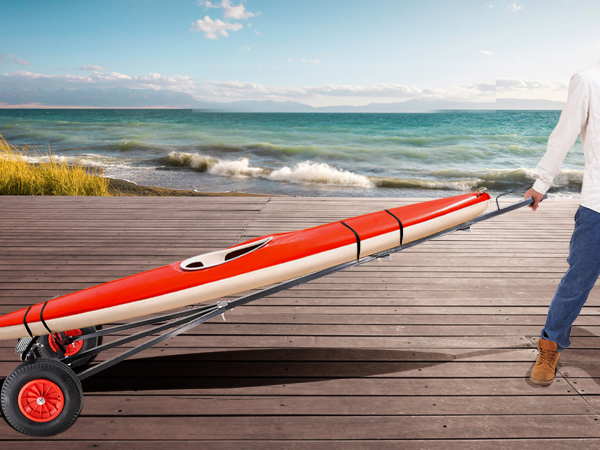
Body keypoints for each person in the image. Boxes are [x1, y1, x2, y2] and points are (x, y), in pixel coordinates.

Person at [524, 60, 600, 385]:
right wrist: (542, 182)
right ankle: (551, 344)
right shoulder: (589, 80)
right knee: (578, 279)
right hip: (598, 207)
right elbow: (564, 133)